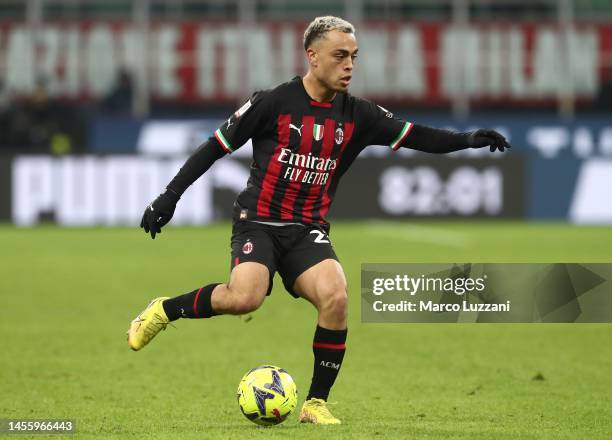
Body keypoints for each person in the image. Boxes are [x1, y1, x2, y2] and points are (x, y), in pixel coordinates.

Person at [128, 16, 511, 425]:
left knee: (337, 296)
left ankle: (315, 404)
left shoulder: (359, 115)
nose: (349, 65)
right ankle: (164, 310)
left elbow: (419, 136)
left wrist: (468, 139)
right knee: (245, 298)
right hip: (258, 220)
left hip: (307, 228)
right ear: (312, 56)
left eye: (354, 57)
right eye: (340, 56)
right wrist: (170, 196)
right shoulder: (273, 102)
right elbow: (214, 148)